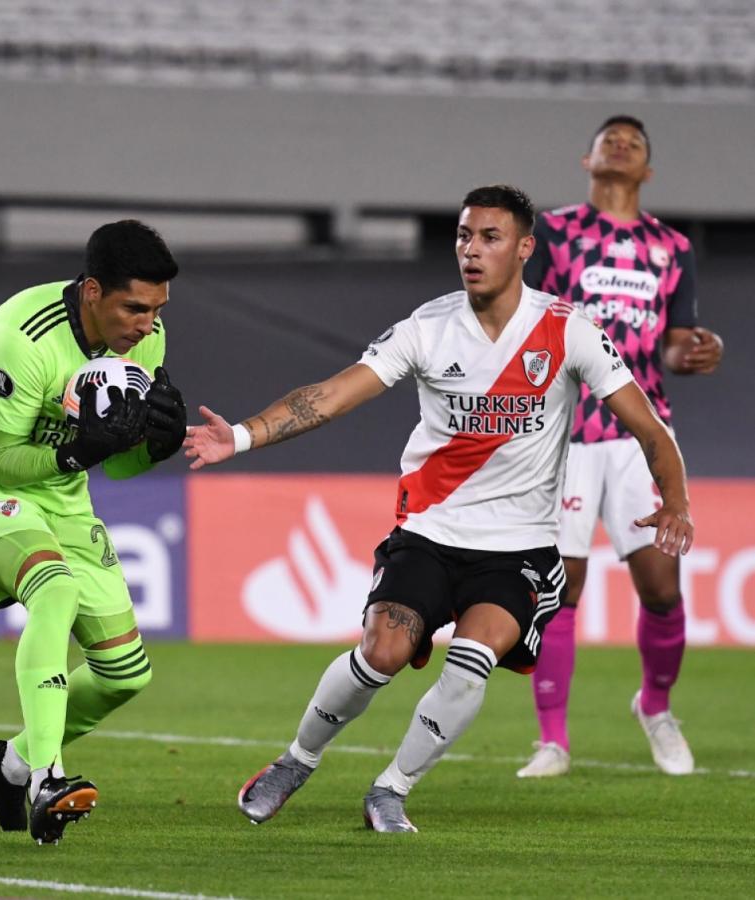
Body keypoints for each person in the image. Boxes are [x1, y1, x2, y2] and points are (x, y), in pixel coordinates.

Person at [184, 185, 693, 833]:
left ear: (524, 249)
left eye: (489, 237)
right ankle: (295, 760)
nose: (471, 250)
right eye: (462, 236)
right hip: (427, 533)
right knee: (381, 653)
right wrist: (243, 433)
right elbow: (333, 394)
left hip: (518, 550)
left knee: (473, 658)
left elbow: (648, 427)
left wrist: (673, 500)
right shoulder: (428, 326)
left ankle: (390, 790)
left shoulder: (568, 330)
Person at [0, 220, 184, 845]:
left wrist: (155, 446)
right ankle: (48, 778)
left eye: (157, 310)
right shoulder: (23, 334)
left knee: (125, 674)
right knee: (54, 589)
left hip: (63, 495)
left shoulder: (145, 343)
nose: (146, 324)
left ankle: (12, 764)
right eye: (134, 307)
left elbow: (121, 464)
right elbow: (7, 459)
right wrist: (80, 452)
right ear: (93, 291)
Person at [516, 116, 723, 779]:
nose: (622, 143)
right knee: (562, 587)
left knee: (660, 587)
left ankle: (655, 708)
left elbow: (671, 340)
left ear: (646, 172)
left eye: (635, 142)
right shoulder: (553, 231)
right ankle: (552, 740)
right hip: (566, 430)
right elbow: (527, 314)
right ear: (589, 158)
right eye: (611, 138)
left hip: (641, 430)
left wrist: (694, 351)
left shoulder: (671, 246)